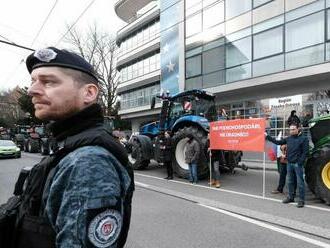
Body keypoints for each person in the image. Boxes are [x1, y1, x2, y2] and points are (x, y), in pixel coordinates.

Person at [13, 47, 134, 247]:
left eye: (48, 81)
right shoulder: (70, 146)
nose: (32, 90)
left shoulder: (89, 161)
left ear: (88, 93)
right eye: (33, 81)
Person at [266, 123, 309, 208]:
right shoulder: (288, 138)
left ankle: (301, 200)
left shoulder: (304, 139)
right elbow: (278, 142)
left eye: (293, 129)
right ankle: (291, 197)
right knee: (290, 182)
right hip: (289, 163)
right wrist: (267, 137)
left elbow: (305, 152)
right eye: (290, 129)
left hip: (297, 164)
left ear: (298, 129)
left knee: (300, 183)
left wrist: (300, 162)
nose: (291, 131)